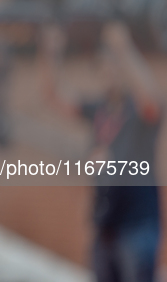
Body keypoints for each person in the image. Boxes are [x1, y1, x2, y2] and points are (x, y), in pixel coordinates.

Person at [39, 21, 164, 282]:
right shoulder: (99, 110)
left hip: (137, 226)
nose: (110, 71)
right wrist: (51, 52)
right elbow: (55, 97)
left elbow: (152, 100)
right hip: (104, 227)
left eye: (115, 65)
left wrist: (123, 47)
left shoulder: (139, 111)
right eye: (105, 65)